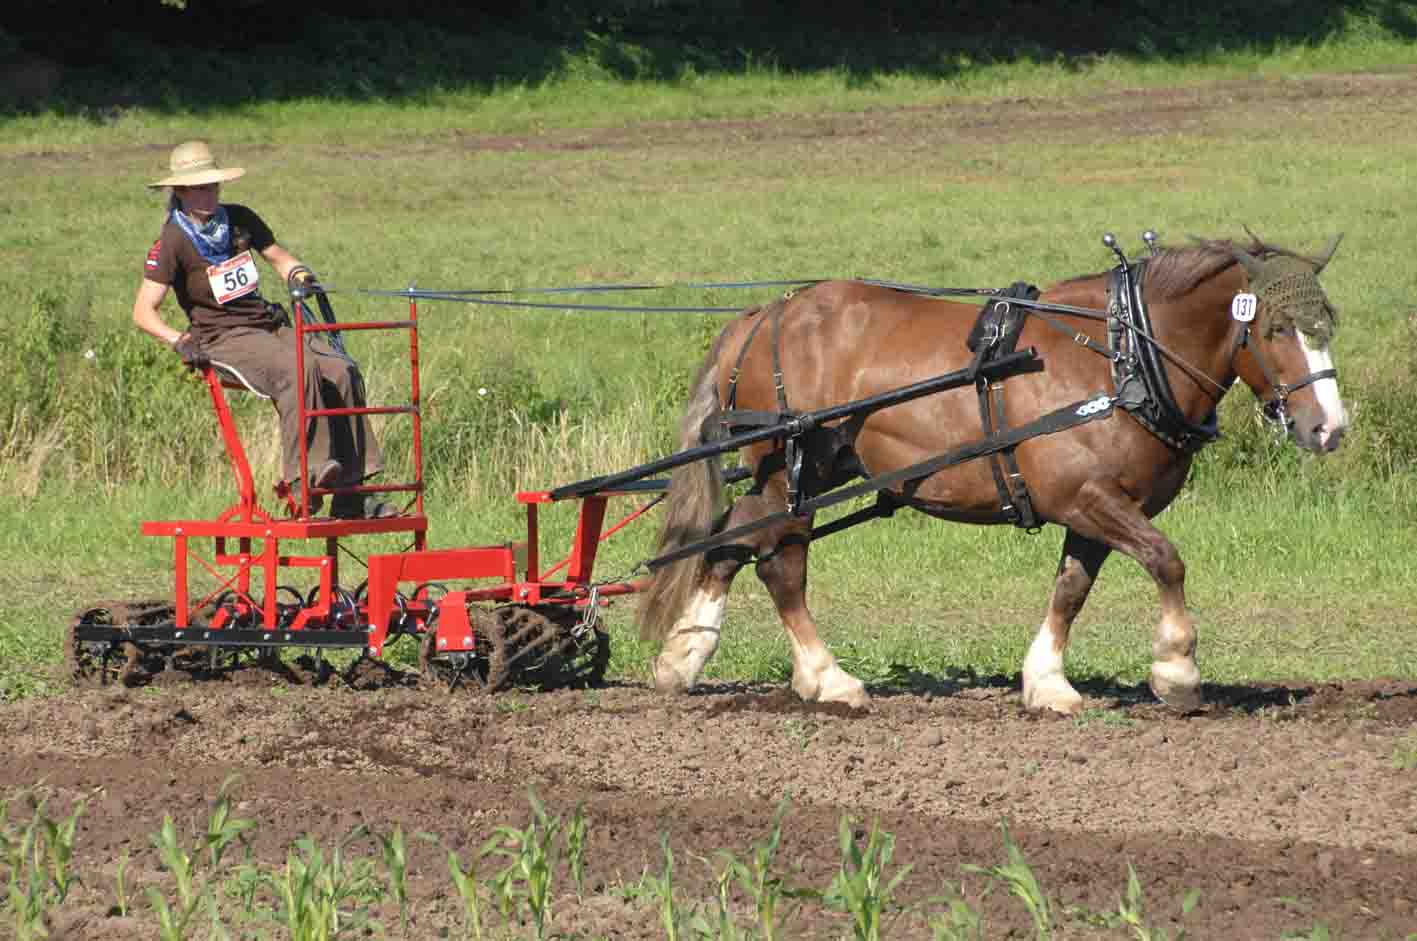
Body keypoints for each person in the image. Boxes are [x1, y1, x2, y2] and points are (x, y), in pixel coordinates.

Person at [132, 140, 391, 518]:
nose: (208, 193)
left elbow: (281, 259)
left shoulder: (239, 219)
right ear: (180, 191)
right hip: (223, 339)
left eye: (212, 185)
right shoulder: (172, 240)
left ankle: (351, 491)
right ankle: (303, 479)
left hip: (269, 326)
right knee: (297, 368)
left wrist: (300, 276)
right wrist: (179, 340)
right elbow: (143, 311)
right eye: (199, 187)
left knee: (341, 369)